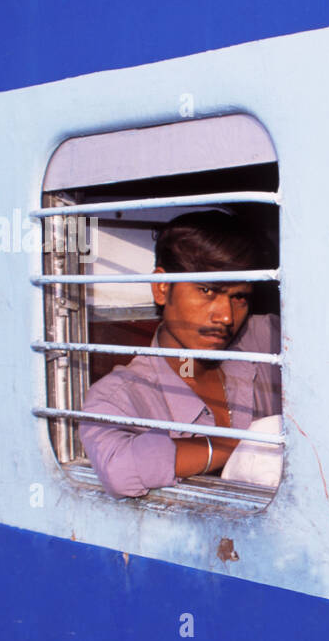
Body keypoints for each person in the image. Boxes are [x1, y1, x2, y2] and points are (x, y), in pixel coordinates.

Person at [80, 211, 282, 498]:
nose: (226, 316)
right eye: (207, 291)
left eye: (239, 297)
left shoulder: (263, 340)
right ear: (162, 288)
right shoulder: (120, 397)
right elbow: (120, 471)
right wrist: (243, 444)